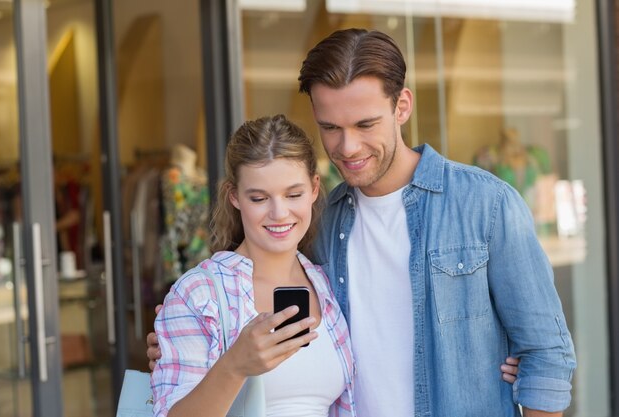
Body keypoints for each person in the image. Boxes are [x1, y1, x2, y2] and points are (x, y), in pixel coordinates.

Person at [148, 28, 574, 416]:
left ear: (402, 106)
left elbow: (546, 357)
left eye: (365, 124)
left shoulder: (486, 204)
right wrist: (186, 347)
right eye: (330, 127)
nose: (348, 147)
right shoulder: (320, 222)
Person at [151, 114, 356, 417]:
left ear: (314, 189)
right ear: (234, 196)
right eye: (259, 198)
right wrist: (235, 365)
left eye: (294, 194)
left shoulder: (326, 282)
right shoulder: (198, 293)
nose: (279, 212)